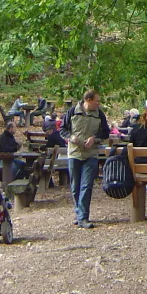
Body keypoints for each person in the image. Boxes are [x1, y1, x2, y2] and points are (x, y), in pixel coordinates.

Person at [60, 90, 111, 229]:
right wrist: (71, 137)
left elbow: (106, 132)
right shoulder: (72, 111)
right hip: (74, 154)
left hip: (91, 154)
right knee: (75, 186)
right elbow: (62, 129)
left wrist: (95, 138)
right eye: (97, 101)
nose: (98, 104)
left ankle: (83, 217)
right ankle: (79, 213)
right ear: (88, 100)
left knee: (86, 185)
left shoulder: (99, 114)